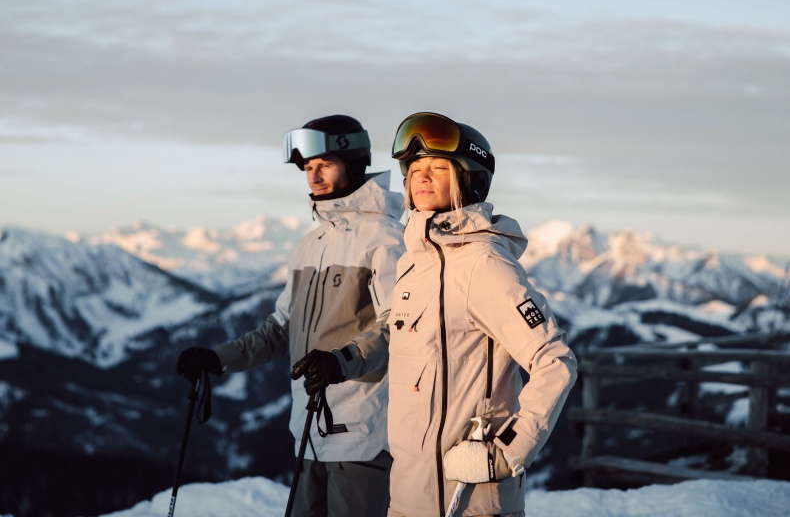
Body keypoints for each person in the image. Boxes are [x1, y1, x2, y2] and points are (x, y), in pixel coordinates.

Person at [176, 115, 405, 517]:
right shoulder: (310, 244)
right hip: (308, 431)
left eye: (325, 164)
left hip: (363, 432)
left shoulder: (385, 238)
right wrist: (218, 358)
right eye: (308, 167)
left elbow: (398, 325)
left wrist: (341, 361)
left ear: (353, 163)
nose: (313, 176)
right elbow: (280, 329)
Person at [386, 111, 577, 517]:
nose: (422, 177)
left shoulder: (484, 264)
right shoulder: (412, 264)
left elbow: (555, 361)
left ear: (470, 179)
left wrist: (506, 452)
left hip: (468, 499)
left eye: (438, 168)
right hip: (408, 494)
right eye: (414, 169)